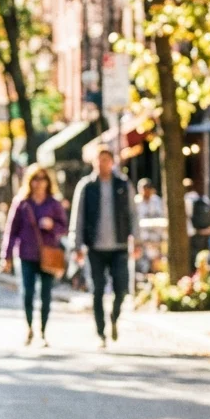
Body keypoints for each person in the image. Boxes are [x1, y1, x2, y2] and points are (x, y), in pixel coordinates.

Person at [70, 147, 138, 346]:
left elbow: (133, 214)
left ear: (112, 162)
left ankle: (114, 318)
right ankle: (101, 332)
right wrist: (76, 246)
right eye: (99, 160)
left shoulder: (123, 185)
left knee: (121, 289)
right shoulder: (86, 186)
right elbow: (78, 216)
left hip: (119, 246)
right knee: (97, 289)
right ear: (94, 162)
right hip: (95, 248)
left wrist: (137, 241)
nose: (103, 164)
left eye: (106, 160)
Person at [2, 163, 68, 346]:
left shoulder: (54, 204)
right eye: (35, 179)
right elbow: (11, 231)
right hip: (26, 253)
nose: (39, 183)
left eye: (42, 179)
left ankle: (43, 331)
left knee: (46, 294)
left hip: (48, 253)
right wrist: (5, 256)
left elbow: (64, 227)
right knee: (27, 293)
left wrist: (52, 225)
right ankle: (29, 327)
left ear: (48, 182)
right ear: (29, 182)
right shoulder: (22, 203)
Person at [135, 178, 165, 275]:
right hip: (141, 237)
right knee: (141, 262)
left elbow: (162, 216)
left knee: (156, 260)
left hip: (156, 237)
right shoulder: (136, 202)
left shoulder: (156, 201)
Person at [184, 178, 210, 273]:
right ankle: (205, 273)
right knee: (205, 253)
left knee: (193, 254)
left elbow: (187, 216)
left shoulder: (186, 199)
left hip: (193, 232)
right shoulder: (204, 199)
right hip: (206, 231)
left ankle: (194, 273)